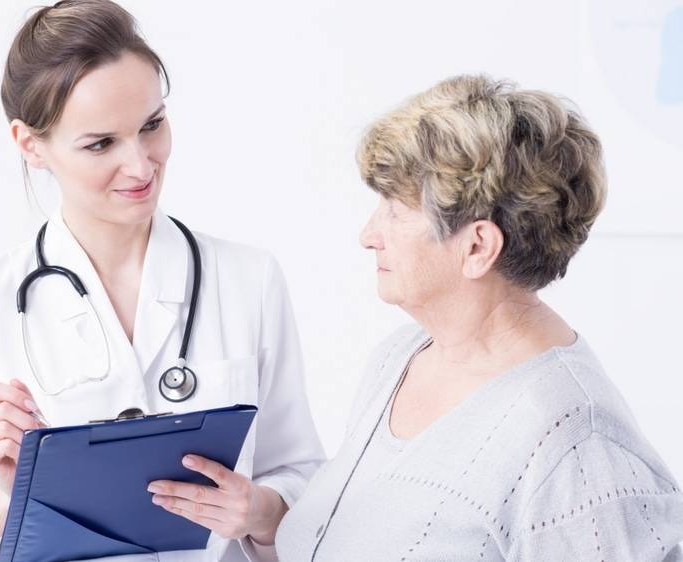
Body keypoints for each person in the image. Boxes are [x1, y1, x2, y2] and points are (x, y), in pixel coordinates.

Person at [0, 2, 324, 560]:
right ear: (30, 144)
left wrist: (256, 510)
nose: (141, 166)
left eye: (152, 126)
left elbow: (301, 476)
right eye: (100, 143)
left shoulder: (248, 280)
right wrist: (12, 495)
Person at [273, 75, 683, 560]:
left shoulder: (579, 447)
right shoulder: (399, 358)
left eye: (397, 209)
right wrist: (269, 522)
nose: (368, 234)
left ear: (478, 246)